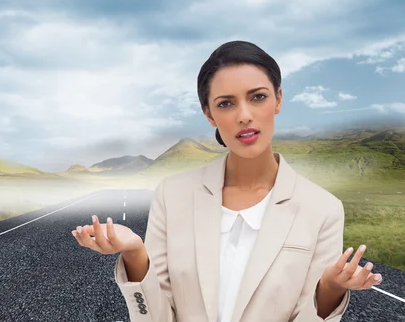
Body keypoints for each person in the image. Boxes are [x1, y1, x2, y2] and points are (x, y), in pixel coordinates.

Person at [71, 40, 382, 322]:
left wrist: (330, 288)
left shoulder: (322, 209)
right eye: (225, 104)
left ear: (278, 100)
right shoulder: (173, 195)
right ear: (209, 115)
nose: (244, 115)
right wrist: (136, 254)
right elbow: (155, 317)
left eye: (257, 97)